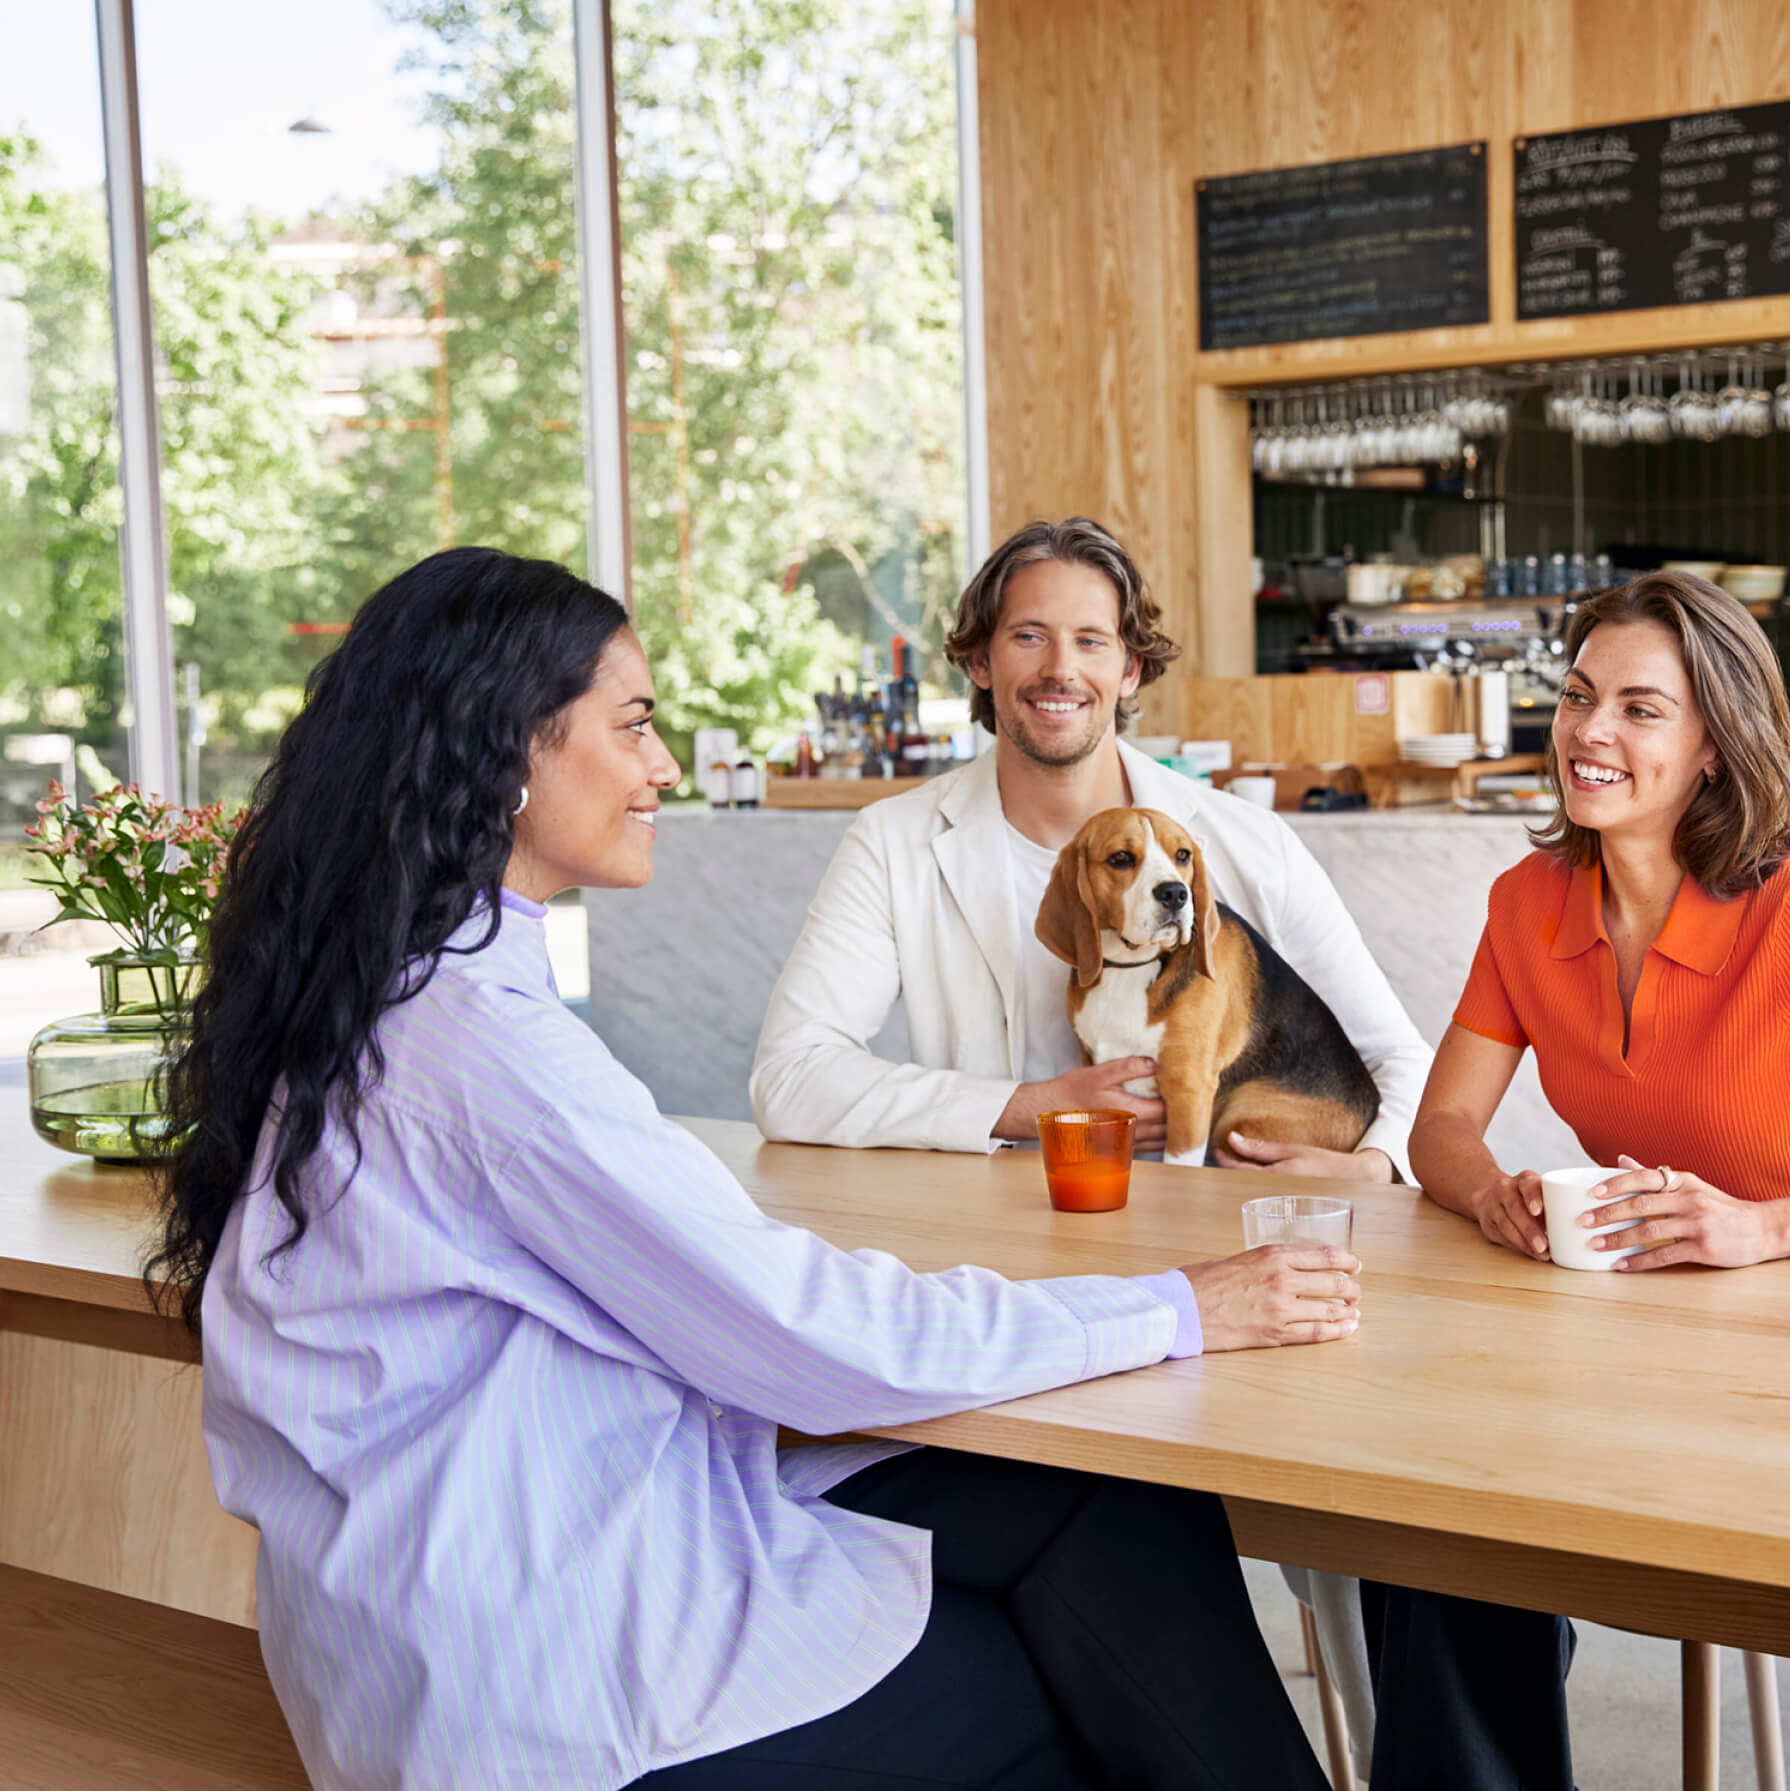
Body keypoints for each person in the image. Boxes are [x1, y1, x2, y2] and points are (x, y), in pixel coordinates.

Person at [154, 547, 1362, 1791]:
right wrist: (1178, 1305)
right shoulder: (491, 1054)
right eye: (633, 727)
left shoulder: (381, 988)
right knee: (1077, 1682)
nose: (667, 766)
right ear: (506, 749)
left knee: (1115, 1509)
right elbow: (807, 1328)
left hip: (449, 1599)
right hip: (547, 1685)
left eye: (1095, 644)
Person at [1372, 570, 1790, 1790]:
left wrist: (1757, 1230)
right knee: (1423, 1509)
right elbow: (1440, 1126)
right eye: (1580, 695)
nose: (1591, 733)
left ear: (1713, 746)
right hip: (1617, 1350)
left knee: (1466, 1518)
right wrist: (1488, 1191)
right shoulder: (1529, 902)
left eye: (1641, 710)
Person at [752, 516, 1431, 1182]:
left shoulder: (1250, 841)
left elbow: (1403, 1062)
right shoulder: (891, 844)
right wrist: (1028, 1109)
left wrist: (1372, 1166)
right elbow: (790, 1076)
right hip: (993, 1252)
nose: (1060, 670)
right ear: (980, 661)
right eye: (1028, 636)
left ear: (1131, 669)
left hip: (1215, 1244)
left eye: (1091, 641)